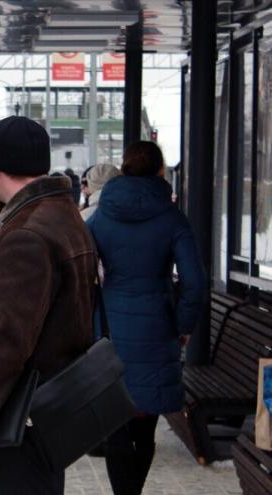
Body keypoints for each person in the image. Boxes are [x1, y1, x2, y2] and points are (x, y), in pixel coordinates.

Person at [0, 116, 98, 495]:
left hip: (22, 411)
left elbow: (5, 340)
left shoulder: (25, 235)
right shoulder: (63, 216)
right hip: (51, 404)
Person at [87, 141, 205, 495]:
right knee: (145, 424)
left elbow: (83, 269)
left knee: (115, 425)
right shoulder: (172, 218)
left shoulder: (102, 214)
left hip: (109, 326)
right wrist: (183, 325)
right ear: (159, 171)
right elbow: (195, 282)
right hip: (157, 325)